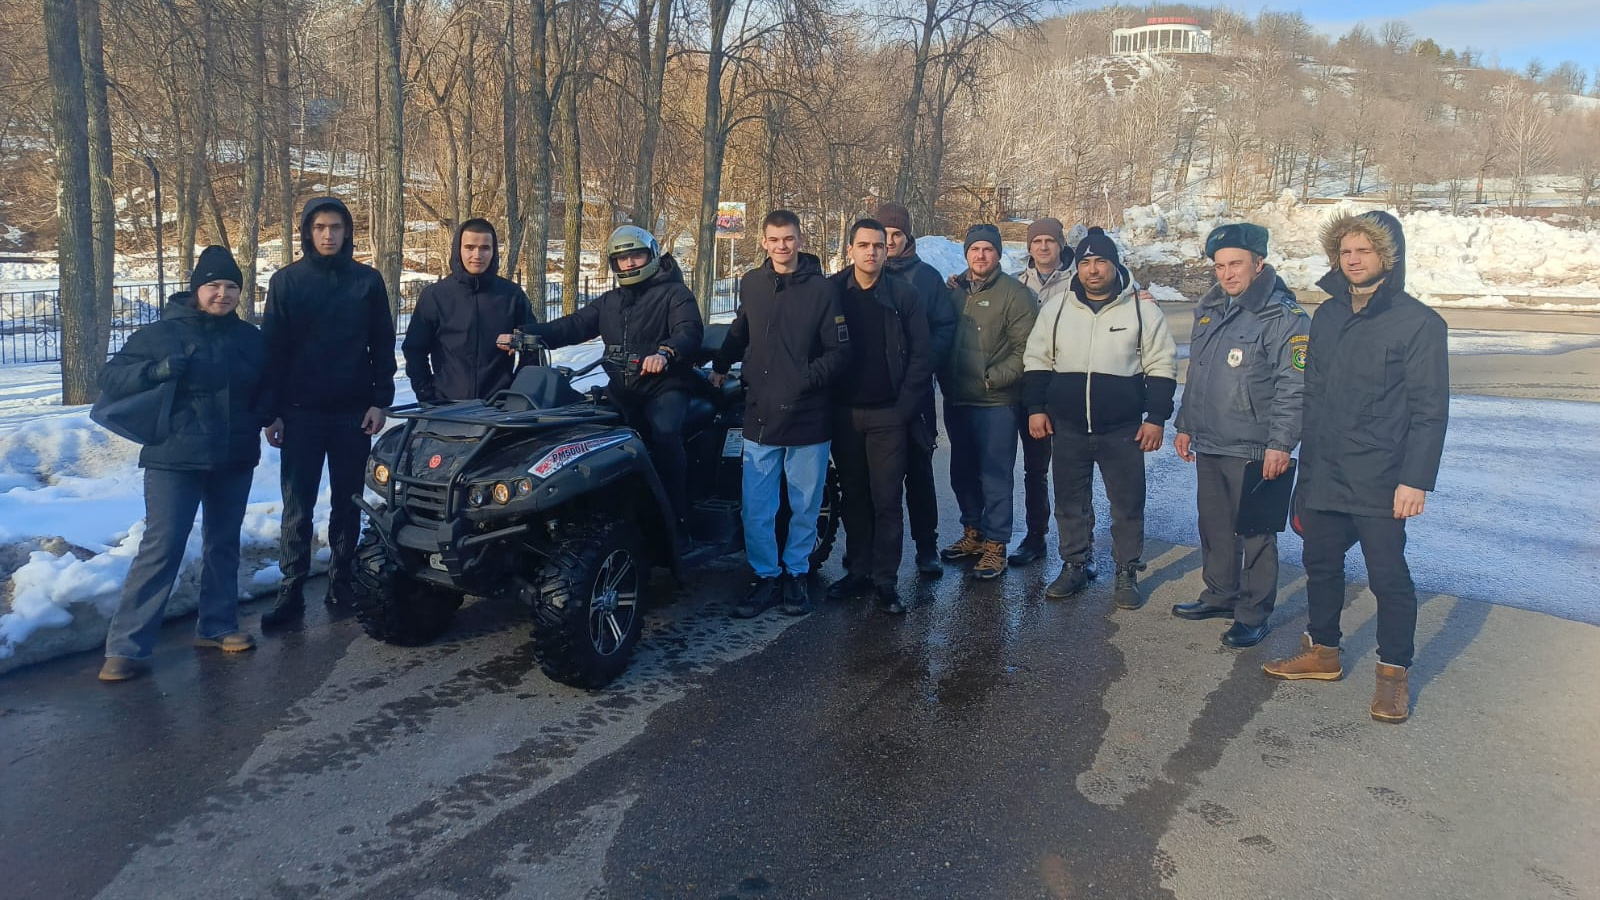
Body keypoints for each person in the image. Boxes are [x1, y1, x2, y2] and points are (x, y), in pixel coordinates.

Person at [1263, 211, 1448, 725]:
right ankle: (1323, 651)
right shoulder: (1326, 316)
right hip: (1325, 468)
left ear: (1387, 256)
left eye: (1364, 250)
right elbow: (1312, 394)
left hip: (1382, 475)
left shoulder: (1419, 323)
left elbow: (1430, 410)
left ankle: (1393, 672)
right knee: (1321, 563)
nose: (1354, 259)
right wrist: (1300, 461)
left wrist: (1415, 480)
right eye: (1345, 251)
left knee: (1388, 576)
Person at [95, 247, 268, 681]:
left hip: (234, 455)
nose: (223, 294)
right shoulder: (161, 334)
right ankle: (127, 647)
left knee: (223, 543)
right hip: (173, 457)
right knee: (163, 545)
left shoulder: (249, 338)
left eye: (231, 287)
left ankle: (218, 626)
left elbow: (268, 385)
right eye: (214, 286)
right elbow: (110, 377)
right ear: (196, 289)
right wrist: (155, 371)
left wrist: (266, 411)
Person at [1022, 227, 1178, 610]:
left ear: (1115, 265)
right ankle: (1076, 564)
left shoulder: (1142, 310)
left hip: (1122, 429)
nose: (1093, 270)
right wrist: (1036, 408)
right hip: (1068, 427)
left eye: (1101, 261)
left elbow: (1161, 365)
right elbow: (1037, 360)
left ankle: (1126, 570)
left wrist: (1156, 417)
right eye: (1086, 262)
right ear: (1077, 267)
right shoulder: (1058, 309)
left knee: (1127, 504)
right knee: (1069, 502)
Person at [259, 197, 396, 627]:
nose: (328, 235)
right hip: (299, 414)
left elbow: (383, 344)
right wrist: (271, 412)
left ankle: (342, 579)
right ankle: (291, 587)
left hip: (353, 413)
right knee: (297, 506)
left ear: (347, 231)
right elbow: (272, 351)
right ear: (307, 232)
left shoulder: (367, 282)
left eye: (336, 227)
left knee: (347, 502)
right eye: (319, 227)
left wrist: (380, 400)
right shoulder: (286, 282)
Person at [1172, 223, 1309, 648]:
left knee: (1256, 532)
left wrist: (1280, 443)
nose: (1227, 274)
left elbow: (1295, 385)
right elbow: (1198, 373)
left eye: (1236, 264)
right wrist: (1185, 424)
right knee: (1214, 525)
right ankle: (1220, 594)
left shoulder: (1283, 316)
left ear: (1258, 263)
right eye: (1220, 266)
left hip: (1256, 445)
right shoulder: (1210, 309)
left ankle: (1253, 612)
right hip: (1210, 439)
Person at [711, 210, 850, 617]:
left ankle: (796, 574)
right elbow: (741, 330)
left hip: (808, 414)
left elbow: (840, 352)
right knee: (757, 506)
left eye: (788, 238)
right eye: (774, 239)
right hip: (761, 412)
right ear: (764, 242)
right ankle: (766, 575)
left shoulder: (822, 290)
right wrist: (720, 364)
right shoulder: (752, 283)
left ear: (800, 239)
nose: (782, 246)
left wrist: (805, 379)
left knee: (805, 505)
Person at [529, 225, 703, 527]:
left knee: (664, 433)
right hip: (622, 390)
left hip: (665, 387)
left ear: (652, 256)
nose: (630, 263)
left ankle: (677, 517)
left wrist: (665, 352)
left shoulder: (675, 294)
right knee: (586, 431)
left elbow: (688, 330)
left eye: (637, 256)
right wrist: (526, 334)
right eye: (622, 259)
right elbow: (572, 326)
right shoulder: (610, 301)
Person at [824, 218, 932, 613]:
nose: (871, 252)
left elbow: (921, 354)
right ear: (850, 249)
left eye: (879, 246)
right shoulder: (833, 291)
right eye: (864, 245)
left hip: (889, 413)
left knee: (887, 500)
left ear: (887, 251)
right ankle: (859, 570)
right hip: (845, 413)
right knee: (854, 496)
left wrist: (903, 408)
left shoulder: (904, 294)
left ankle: (886, 581)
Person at [938, 223, 1037, 580]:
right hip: (957, 398)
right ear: (966, 253)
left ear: (998, 253)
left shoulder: (1015, 294)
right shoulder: (954, 290)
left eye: (988, 249)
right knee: (962, 472)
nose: (981, 255)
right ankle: (973, 533)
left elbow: (1026, 349)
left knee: (994, 475)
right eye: (975, 249)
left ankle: (996, 543)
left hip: (995, 401)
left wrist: (991, 378)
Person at [876, 202, 959, 576]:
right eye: (884, 234)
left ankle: (926, 546)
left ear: (907, 237)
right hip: (873, 393)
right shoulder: (863, 274)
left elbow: (944, 326)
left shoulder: (926, 277)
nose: (890, 241)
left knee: (918, 472)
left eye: (897, 234)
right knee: (876, 478)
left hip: (915, 390)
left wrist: (923, 362)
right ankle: (871, 551)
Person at [403, 218, 536, 403]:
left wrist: (516, 393)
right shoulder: (435, 296)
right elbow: (414, 350)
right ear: (458, 249)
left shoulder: (512, 296)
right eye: (470, 247)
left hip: (499, 407)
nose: (477, 255)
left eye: (485, 248)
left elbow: (533, 347)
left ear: (494, 251)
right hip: (446, 408)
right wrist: (427, 394)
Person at [1009, 217, 1075, 566]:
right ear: (1029, 247)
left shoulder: (1080, 281)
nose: (1044, 247)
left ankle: (1078, 546)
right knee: (1035, 469)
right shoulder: (1016, 283)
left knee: (1072, 470)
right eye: (1037, 241)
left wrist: (1139, 294)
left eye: (1050, 240)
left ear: (1061, 245)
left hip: (1067, 386)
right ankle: (1036, 535)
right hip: (1028, 387)